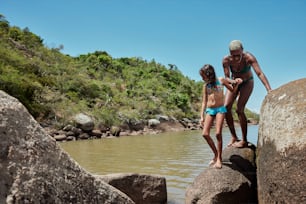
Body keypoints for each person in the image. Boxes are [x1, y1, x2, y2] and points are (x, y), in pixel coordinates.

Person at [222, 40, 272, 148]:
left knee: (239, 109)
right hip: (235, 83)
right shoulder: (226, 60)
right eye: (233, 55)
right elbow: (226, 77)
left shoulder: (249, 58)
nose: (235, 58)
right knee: (225, 108)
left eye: (238, 55)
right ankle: (234, 137)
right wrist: (233, 82)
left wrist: (269, 89)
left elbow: (260, 73)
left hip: (247, 82)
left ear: (242, 51)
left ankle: (244, 140)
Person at [199, 64, 242, 169]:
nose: (202, 78)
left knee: (218, 133)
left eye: (203, 75)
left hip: (220, 109)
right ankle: (216, 154)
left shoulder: (221, 80)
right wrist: (201, 116)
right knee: (205, 134)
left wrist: (236, 84)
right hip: (210, 110)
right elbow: (204, 102)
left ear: (209, 74)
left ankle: (219, 159)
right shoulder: (205, 86)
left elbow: (232, 90)